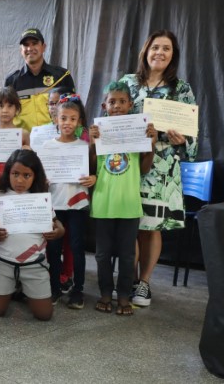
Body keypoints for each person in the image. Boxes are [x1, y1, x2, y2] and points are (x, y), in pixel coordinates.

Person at [120, 30, 197, 307]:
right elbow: (109, 116)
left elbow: (192, 138)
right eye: (155, 47)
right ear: (146, 50)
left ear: (173, 55)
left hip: (162, 167)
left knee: (151, 227)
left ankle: (144, 284)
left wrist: (183, 139)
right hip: (128, 164)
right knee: (129, 225)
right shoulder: (126, 83)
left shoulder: (182, 89)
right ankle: (126, 279)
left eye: (166, 49)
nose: (159, 53)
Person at [89, 81, 157, 315]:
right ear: (104, 105)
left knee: (128, 255)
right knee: (102, 254)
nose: (116, 106)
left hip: (129, 204)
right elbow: (90, 167)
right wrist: (91, 143)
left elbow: (145, 169)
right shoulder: (98, 132)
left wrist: (151, 144)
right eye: (112, 102)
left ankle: (125, 296)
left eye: (121, 102)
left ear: (130, 105)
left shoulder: (137, 130)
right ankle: (106, 294)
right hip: (103, 203)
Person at [0, 150, 64, 320]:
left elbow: (56, 223)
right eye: (15, 174)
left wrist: (58, 231)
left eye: (27, 175)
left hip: (34, 264)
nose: (20, 180)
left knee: (44, 315)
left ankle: (24, 289)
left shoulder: (40, 197)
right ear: (8, 173)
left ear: (35, 176)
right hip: (4, 263)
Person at [43, 95, 96, 308]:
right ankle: (54, 288)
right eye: (63, 117)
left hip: (78, 205)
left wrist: (93, 178)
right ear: (56, 118)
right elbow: (41, 178)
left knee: (76, 247)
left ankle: (78, 291)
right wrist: (43, 181)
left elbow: (93, 172)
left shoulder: (84, 147)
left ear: (79, 122)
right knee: (53, 248)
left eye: (72, 119)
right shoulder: (47, 146)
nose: (67, 122)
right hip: (55, 205)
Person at [4, 28, 75, 131]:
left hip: (56, 141)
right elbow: (7, 115)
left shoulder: (62, 76)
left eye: (34, 43)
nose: (30, 48)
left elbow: (74, 110)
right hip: (24, 143)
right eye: (26, 45)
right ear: (21, 50)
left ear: (43, 47)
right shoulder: (11, 81)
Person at [0, 87, 30, 193]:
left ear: (17, 109)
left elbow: (29, 163)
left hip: (15, 185)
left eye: (10, 106)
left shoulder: (23, 134)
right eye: (0, 105)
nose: (5, 110)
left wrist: (28, 151)